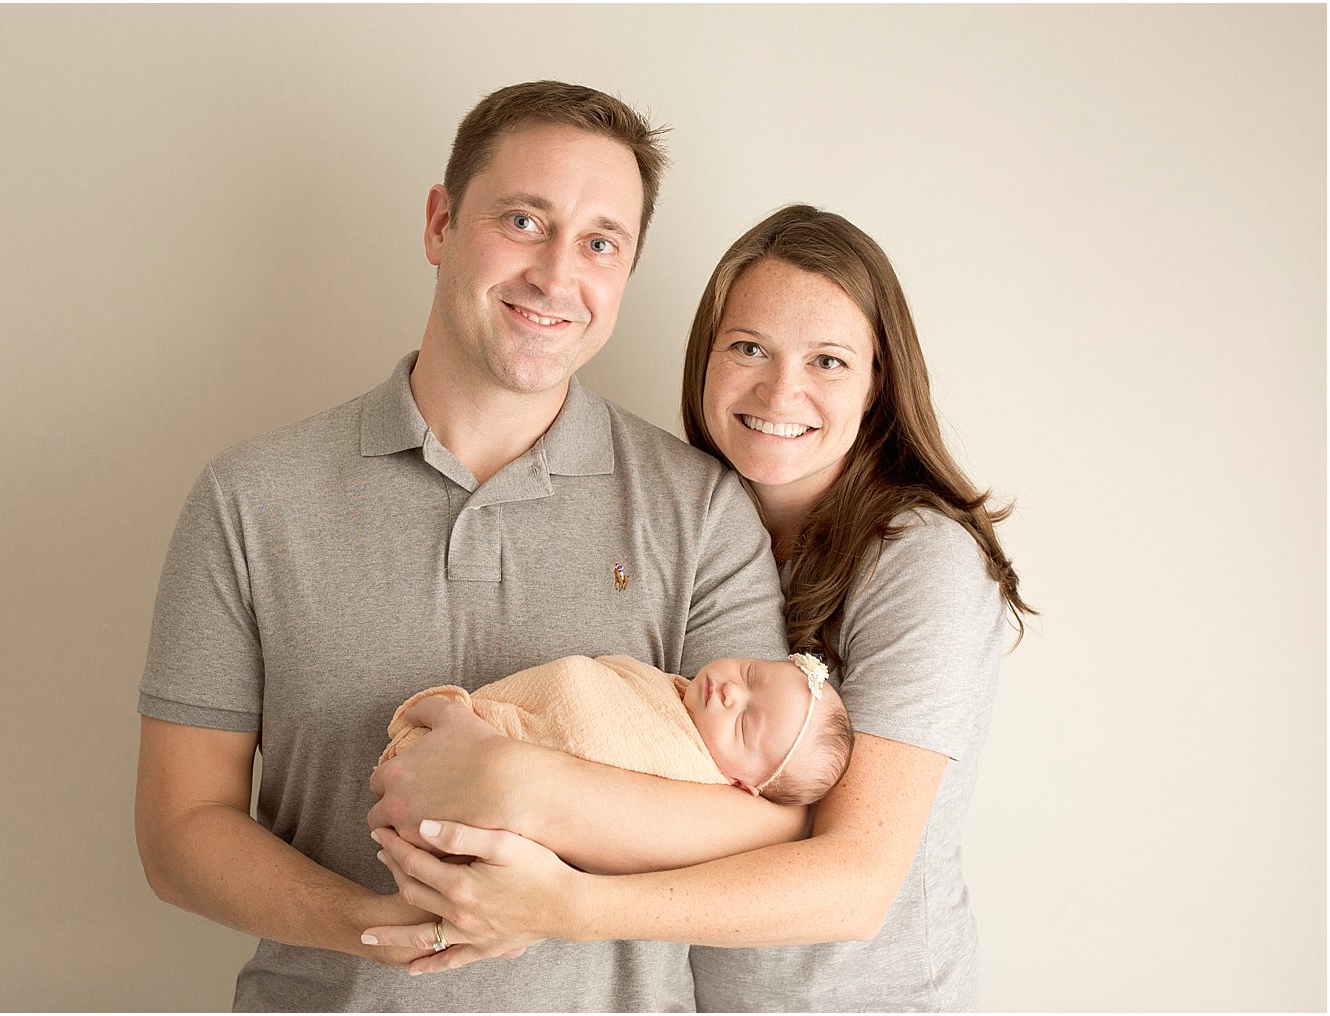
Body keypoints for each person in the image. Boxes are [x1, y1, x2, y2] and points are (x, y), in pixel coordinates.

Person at [133, 81, 800, 1011]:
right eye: (525, 220)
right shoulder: (250, 499)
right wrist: (395, 927)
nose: (558, 274)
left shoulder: (701, 512)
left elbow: (767, 822)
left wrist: (553, 887)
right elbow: (180, 828)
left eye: (601, 242)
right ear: (441, 223)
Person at [364, 204, 1035, 1011]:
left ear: (877, 383)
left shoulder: (919, 557)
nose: (781, 389)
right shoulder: (689, 522)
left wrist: (561, 904)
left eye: (828, 360)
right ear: (705, 360)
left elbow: (854, 885)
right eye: (749, 347)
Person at [380, 652, 853, 806]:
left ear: (744, 785)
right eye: (751, 675)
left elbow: (584, 730)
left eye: (746, 723)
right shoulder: (673, 693)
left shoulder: (680, 775)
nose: (733, 693)